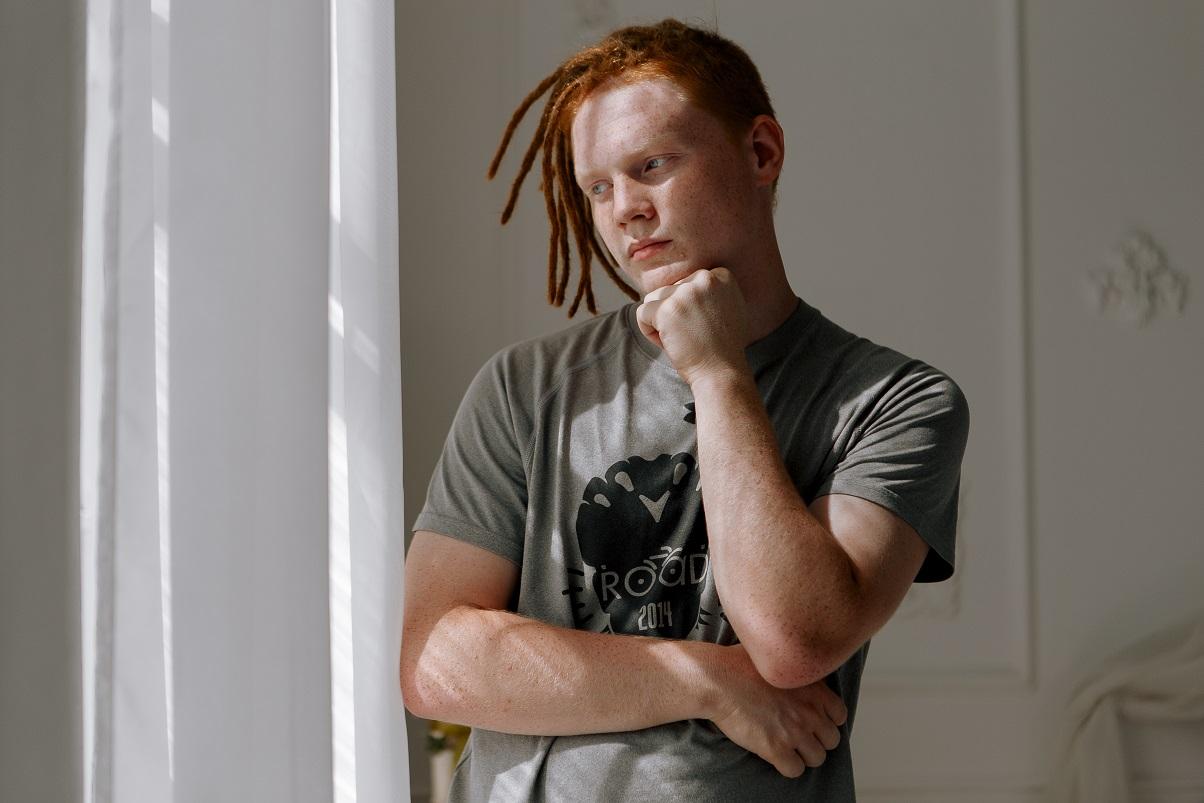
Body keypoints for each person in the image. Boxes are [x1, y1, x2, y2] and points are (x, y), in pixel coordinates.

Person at [400, 18, 970, 802]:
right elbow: (434, 660)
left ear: (761, 152)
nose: (624, 209)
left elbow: (793, 638)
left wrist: (717, 371)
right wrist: (707, 680)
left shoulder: (897, 401)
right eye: (598, 187)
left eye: (652, 165)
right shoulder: (522, 387)